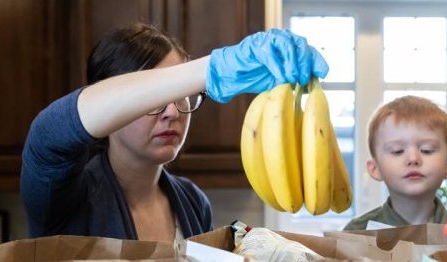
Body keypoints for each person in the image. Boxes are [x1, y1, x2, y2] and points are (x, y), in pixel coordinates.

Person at [20, 23, 329, 242]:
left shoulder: (193, 201)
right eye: (154, 98)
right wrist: (209, 69)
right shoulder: (63, 196)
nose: (172, 112)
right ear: (114, 104)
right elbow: (48, 136)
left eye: (184, 94)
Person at [343, 96, 447, 231]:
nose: (413, 158)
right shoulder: (355, 234)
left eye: (427, 150)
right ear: (375, 168)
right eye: (397, 151)